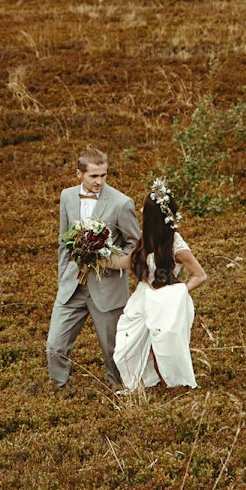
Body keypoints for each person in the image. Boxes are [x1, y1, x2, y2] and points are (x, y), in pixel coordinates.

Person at [46, 147, 141, 390]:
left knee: (113, 349)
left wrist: (110, 259)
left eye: (104, 176)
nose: (99, 181)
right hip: (72, 286)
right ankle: (58, 387)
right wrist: (62, 279)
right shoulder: (67, 197)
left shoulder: (122, 203)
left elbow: (135, 244)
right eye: (93, 176)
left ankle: (120, 391)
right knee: (55, 344)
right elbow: (62, 242)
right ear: (79, 174)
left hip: (108, 288)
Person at [113, 177, 207, 391]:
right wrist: (97, 257)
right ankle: (145, 382)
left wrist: (178, 292)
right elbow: (126, 262)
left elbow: (200, 275)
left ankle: (172, 386)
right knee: (126, 346)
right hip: (144, 297)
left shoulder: (176, 246)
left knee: (164, 346)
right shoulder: (145, 240)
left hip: (166, 301)